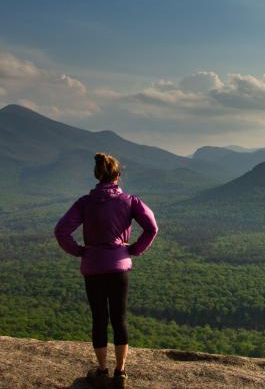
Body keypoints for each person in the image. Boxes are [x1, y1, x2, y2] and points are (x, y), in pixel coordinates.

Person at [54, 153, 158, 389]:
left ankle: (101, 372)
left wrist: (80, 251)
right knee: (119, 318)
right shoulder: (130, 201)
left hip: (93, 266)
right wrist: (133, 249)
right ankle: (120, 373)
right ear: (117, 176)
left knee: (99, 318)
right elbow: (152, 227)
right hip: (119, 265)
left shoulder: (85, 203)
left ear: (97, 175)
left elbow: (61, 231)